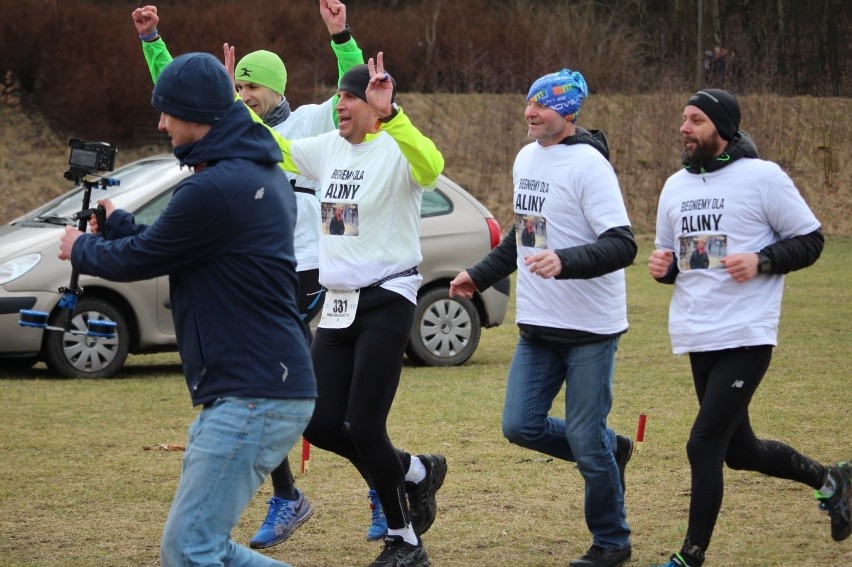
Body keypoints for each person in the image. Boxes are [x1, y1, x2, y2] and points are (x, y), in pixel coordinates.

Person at [130, 1, 388, 547]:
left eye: (252, 87)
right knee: (266, 391)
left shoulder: (311, 122)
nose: (243, 96)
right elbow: (180, 101)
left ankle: (381, 485)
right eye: (237, 88)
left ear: (276, 88)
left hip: (311, 273)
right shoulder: (231, 129)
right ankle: (293, 495)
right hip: (259, 273)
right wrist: (154, 42)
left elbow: (363, 91)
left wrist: (341, 34)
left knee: (302, 399)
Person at [59, 52, 316, 567]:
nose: (160, 123)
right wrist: (122, 225)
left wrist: (80, 248)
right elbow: (178, 245)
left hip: (253, 392)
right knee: (202, 547)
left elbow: (145, 259)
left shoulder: (215, 186)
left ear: (198, 115)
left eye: (167, 111)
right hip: (260, 386)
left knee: (189, 549)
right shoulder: (246, 174)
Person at [647, 88, 851, 567]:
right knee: (740, 451)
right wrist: (666, 267)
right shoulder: (675, 185)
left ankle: (690, 557)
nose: (684, 128)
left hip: (746, 335)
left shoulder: (763, 178)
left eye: (695, 120)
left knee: (703, 445)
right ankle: (833, 481)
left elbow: (811, 240)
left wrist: (761, 260)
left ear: (721, 127)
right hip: (698, 334)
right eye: (683, 119)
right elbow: (687, 259)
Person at [264, 53, 446, 567]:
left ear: (375, 105)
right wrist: (234, 107)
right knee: (319, 424)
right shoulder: (326, 149)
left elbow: (432, 166)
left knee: (365, 425)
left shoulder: (396, 148)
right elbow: (270, 145)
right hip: (339, 306)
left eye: (348, 96)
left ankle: (404, 540)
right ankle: (414, 471)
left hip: (388, 297)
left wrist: (396, 117)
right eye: (338, 96)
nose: (339, 105)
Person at [449, 68, 636, 567]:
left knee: (582, 436)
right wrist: (480, 275)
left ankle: (612, 542)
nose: (530, 111)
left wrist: (566, 261)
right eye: (529, 101)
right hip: (538, 326)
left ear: (569, 113)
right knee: (520, 425)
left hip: (591, 329)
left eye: (543, 105)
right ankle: (610, 450)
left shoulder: (591, 167)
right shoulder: (526, 158)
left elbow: (623, 244)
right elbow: (522, 234)